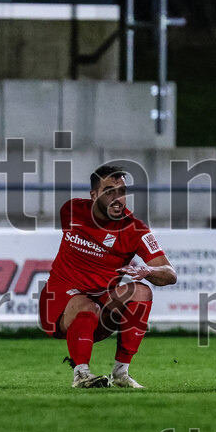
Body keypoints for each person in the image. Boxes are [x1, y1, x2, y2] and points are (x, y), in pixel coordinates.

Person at [39, 165, 177, 388]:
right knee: (86, 306)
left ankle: (121, 373)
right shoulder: (72, 211)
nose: (117, 198)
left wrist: (148, 271)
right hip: (56, 306)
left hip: (100, 310)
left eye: (122, 191)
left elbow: (170, 274)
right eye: (109, 191)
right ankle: (81, 374)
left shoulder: (135, 230)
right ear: (94, 195)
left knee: (141, 291)